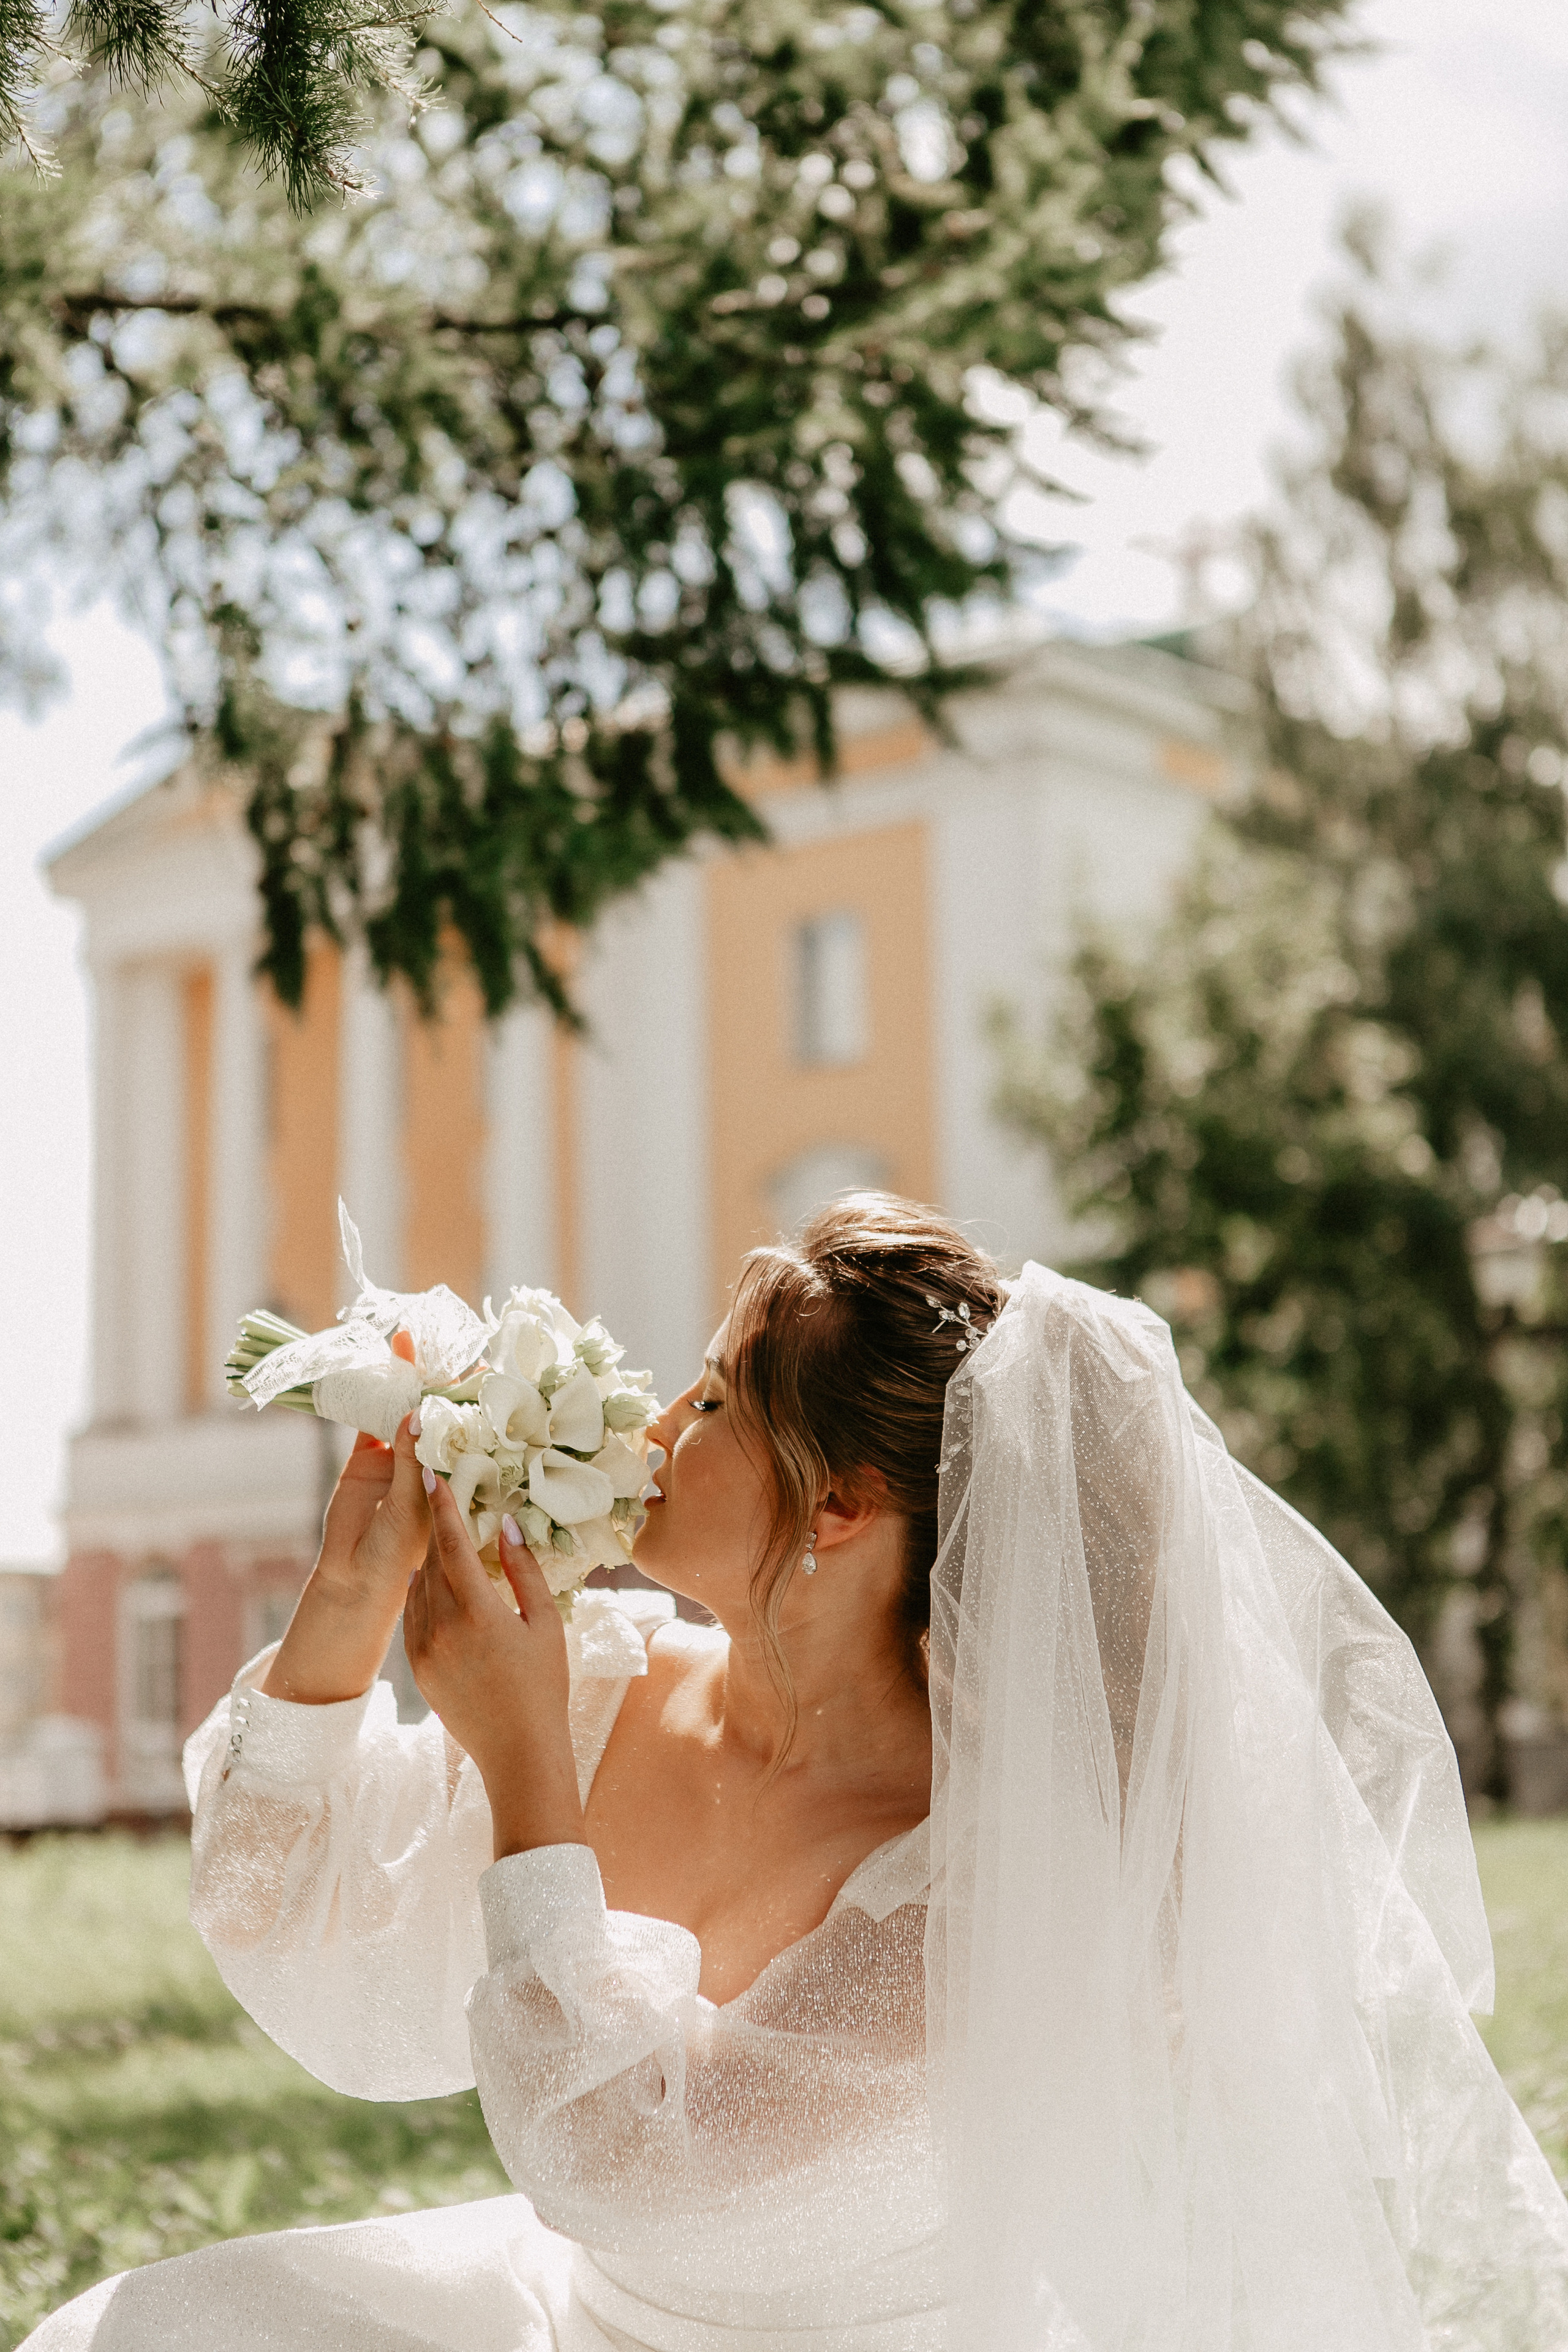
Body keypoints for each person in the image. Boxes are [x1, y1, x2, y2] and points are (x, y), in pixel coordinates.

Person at [22, 1193, 1568, 2351]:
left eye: (710, 1399)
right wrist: (348, 1605)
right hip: (571, 2312)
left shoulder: (982, 1886)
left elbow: (636, 2169)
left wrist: (521, 1769)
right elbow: (286, 1924)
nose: (654, 1423)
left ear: (836, 1507)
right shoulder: (609, 1680)